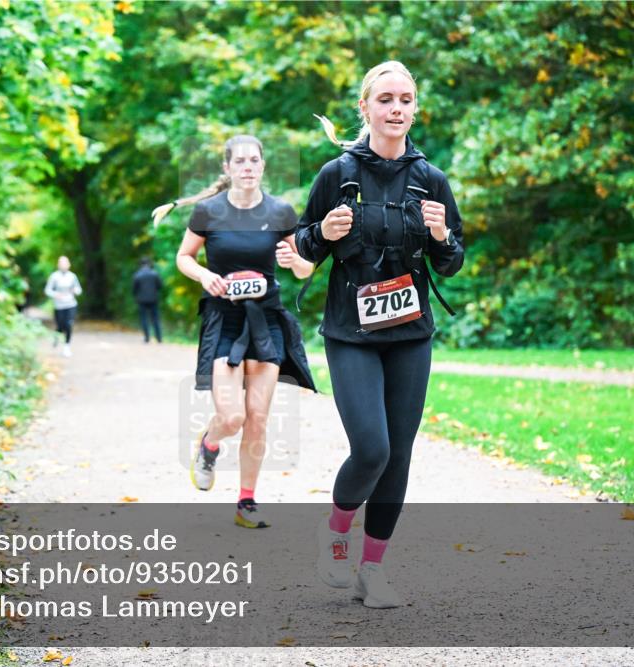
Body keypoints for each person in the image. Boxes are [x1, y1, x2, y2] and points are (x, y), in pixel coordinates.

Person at [295, 61, 465, 607]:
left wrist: (440, 234)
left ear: (415, 109)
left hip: (410, 334)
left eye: (406, 100)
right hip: (351, 332)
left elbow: (451, 262)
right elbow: (302, 246)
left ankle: (373, 571)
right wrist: (322, 231)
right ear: (364, 107)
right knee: (372, 448)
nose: (396, 109)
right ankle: (336, 532)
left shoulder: (430, 179)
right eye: (386, 99)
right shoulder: (337, 173)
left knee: (399, 455)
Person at [155, 134, 317, 529]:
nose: (247, 167)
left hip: (266, 320)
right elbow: (184, 257)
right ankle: (209, 444)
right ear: (227, 168)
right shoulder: (209, 212)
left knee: (257, 418)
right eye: (239, 161)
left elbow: (305, 268)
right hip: (224, 319)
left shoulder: (280, 211)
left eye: (254, 160)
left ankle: (247, 502)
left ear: (263, 165)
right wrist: (204, 275)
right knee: (232, 417)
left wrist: (293, 260)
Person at [44, 255, 83, 357]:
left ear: (69, 265)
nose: (63, 265)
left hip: (70, 304)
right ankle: (57, 336)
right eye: (61, 263)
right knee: (60, 326)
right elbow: (47, 290)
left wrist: (75, 291)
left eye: (65, 263)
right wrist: (56, 294)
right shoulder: (54, 277)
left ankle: (67, 346)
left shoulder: (72, 276)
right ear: (58, 265)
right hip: (59, 306)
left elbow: (79, 290)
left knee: (69, 324)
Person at [132, 257, 163, 343]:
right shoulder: (154, 274)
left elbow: (134, 289)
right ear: (149, 264)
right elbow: (160, 286)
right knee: (155, 318)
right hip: (153, 299)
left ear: (140, 264)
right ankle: (159, 338)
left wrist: (137, 296)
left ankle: (147, 338)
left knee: (144, 319)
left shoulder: (137, 275)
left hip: (142, 300)